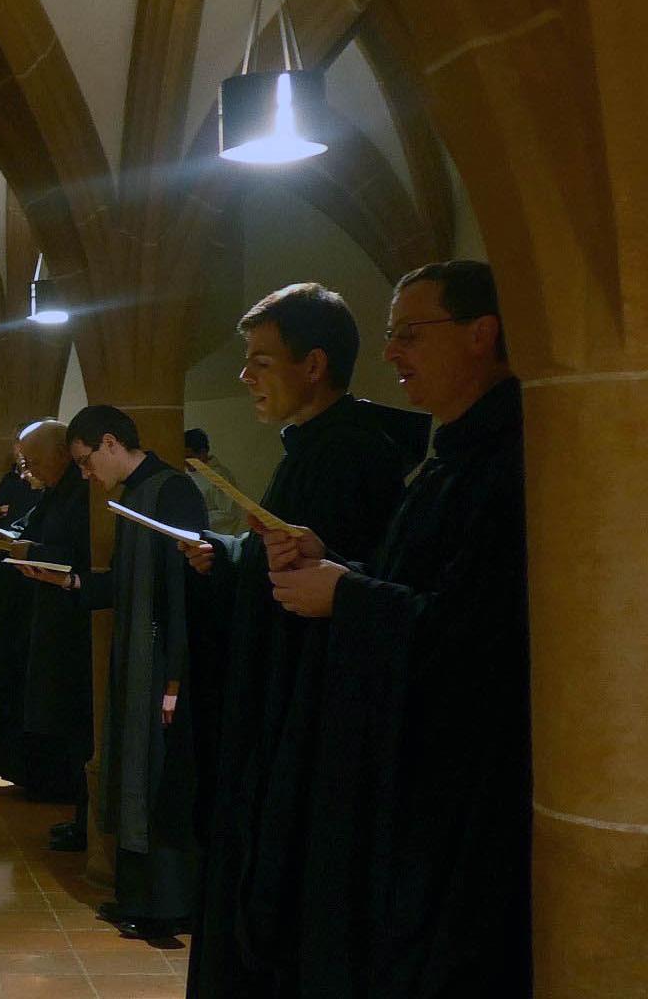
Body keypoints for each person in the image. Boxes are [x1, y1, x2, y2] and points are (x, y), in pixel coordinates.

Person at [259, 260, 529, 996]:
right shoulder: (454, 456)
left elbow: (481, 633)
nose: (390, 354)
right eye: (388, 335)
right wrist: (333, 562)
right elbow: (414, 583)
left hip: (467, 787)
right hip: (418, 774)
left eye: (409, 334)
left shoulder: (513, 463)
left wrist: (345, 597)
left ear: (483, 334)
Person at [179, 283, 415, 996]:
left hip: (309, 730)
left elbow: (330, 583)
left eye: (260, 361)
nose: (247, 377)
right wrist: (233, 559)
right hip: (286, 715)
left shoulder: (344, 455)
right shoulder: (314, 449)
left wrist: (257, 567)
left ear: (313, 365)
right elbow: (298, 564)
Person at [21, 406, 209, 941]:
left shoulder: (173, 490)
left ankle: (167, 905)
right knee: (131, 770)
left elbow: (184, 589)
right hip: (135, 656)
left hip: (162, 662)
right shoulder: (133, 494)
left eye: (85, 462)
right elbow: (128, 583)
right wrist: (69, 582)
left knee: (157, 780)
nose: (86, 475)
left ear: (109, 442)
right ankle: (138, 896)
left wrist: (175, 675)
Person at [0, 421, 94, 844]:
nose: (29, 470)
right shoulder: (56, 490)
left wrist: (31, 552)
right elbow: (36, 531)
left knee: (76, 717)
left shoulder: (82, 492)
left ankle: (84, 811)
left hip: (77, 618)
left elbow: (83, 552)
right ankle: (79, 810)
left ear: (62, 453)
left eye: (34, 461)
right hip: (51, 612)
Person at [0, 441, 49, 793]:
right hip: (13, 590)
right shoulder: (12, 481)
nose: (26, 469)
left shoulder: (61, 490)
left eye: (30, 460)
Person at [182, 429, 247, 536]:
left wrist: (196, 519)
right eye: (183, 457)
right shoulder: (185, 473)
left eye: (189, 457)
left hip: (211, 536)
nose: (186, 462)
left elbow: (229, 514)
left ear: (203, 452)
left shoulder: (219, 477)